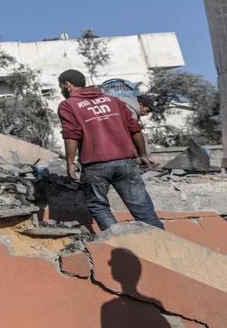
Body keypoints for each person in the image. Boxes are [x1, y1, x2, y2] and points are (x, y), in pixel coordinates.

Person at [57, 69, 163, 230]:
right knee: (143, 209)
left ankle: (119, 246)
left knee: (99, 206)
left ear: (67, 85)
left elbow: (71, 135)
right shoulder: (113, 101)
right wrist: (142, 154)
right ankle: (162, 246)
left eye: (61, 87)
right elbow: (135, 129)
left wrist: (70, 162)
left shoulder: (68, 105)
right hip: (126, 163)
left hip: (95, 166)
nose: (61, 91)